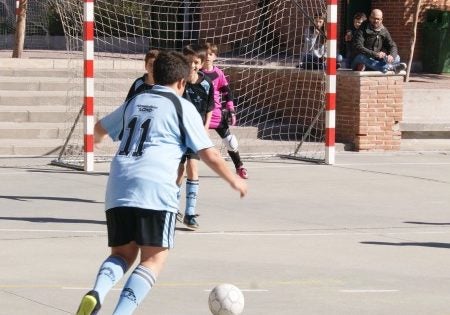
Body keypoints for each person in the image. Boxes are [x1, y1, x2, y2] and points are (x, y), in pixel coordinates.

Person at [75, 51, 247, 315]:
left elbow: (99, 128)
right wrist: (233, 179)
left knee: (121, 254)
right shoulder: (182, 106)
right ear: (181, 82)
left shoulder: (137, 100)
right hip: (155, 187)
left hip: (119, 185)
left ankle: (97, 291)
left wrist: (97, 139)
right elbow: (208, 153)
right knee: (153, 259)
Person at [176, 44, 215, 230]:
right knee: (178, 170)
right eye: (188, 61)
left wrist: (205, 127)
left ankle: (189, 212)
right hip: (176, 131)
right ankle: (172, 207)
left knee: (193, 167)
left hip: (195, 133)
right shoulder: (177, 81)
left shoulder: (207, 84)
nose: (192, 65)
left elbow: (209, 109)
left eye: (196, 62)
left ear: (201, 64)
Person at [201, 42, 249, 179]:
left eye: (210, 54)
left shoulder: (218, 73)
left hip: (216, 113)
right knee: (188, 142)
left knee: (231, 142)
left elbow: (227, 92)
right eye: (205, 54)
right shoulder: (196, 73)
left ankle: (239, 166)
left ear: (215, 56)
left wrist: (231, 109)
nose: (207, 57)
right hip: (200, 115)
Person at [351, 9, 407, 73]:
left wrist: (391, 55)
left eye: (378, 19)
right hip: (361, 60)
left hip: (375, 60)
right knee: (361, 57)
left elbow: (392, 45)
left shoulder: (384, 30)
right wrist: (375, 54)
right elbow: (358, 46)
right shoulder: (362, 28)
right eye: (373, 18)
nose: (376, 21)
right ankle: (390, 67)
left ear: (381, 19)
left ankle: (382, 66)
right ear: (369, 18)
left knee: (397, 57)